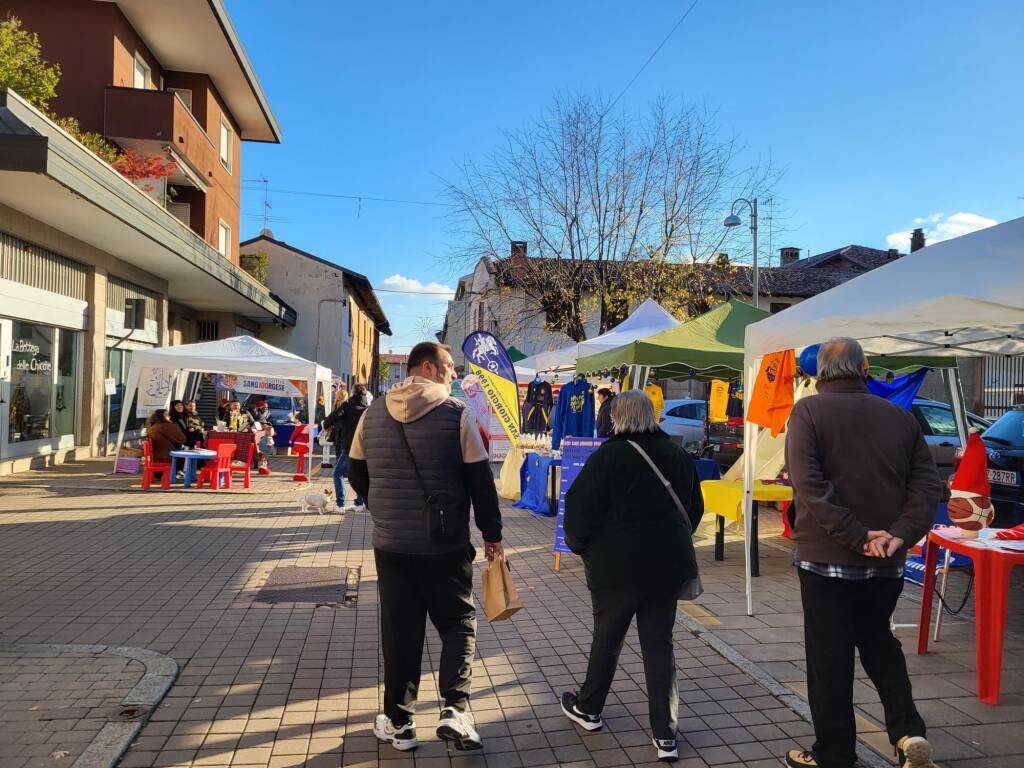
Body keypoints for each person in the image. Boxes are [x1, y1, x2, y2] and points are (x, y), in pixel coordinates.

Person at [783, 338, 943, 768]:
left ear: (820, 372)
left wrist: (855, 535)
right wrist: (899, 535)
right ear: (865, 367)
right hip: (886, 560)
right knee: (878, 642)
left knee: (829, 655)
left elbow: (810, 487)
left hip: (825, 558)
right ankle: (908, 732)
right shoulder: (900, 417)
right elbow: (926, 487)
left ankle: (834, 753)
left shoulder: (808, 412)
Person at [348, 341, 503, 753]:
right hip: (445, 545)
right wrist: (492, 535)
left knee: (401, 632)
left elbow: (356, 475)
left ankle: (400, 723)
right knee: (457, 623)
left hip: (391, 545)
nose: (454, 375)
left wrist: (383, 510)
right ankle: (455, 708)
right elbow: (480, 484)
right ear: (430, 368)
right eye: (450, 367)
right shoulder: (456, 415)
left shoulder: (372, 413)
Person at [561, 390, 703, 763]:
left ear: (617, 417)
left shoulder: (607, 457)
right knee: (660, 645)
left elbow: (577, 514)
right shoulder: (676, 454)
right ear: (651, 415)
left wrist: (582, 547)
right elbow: (694, 509)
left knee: (607, 639)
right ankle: (665, 734)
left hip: (616, 570)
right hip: (666, 567)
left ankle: (589, 708)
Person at [324, 384, 370, 511]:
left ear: (353, 393)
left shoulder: (347, 406)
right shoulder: (369, 408)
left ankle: (340, 504)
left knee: (338, 473)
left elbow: (330, 419)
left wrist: (327, 425)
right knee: (359, 474)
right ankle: (360, 503)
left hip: (350, 446)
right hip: (366, 447)